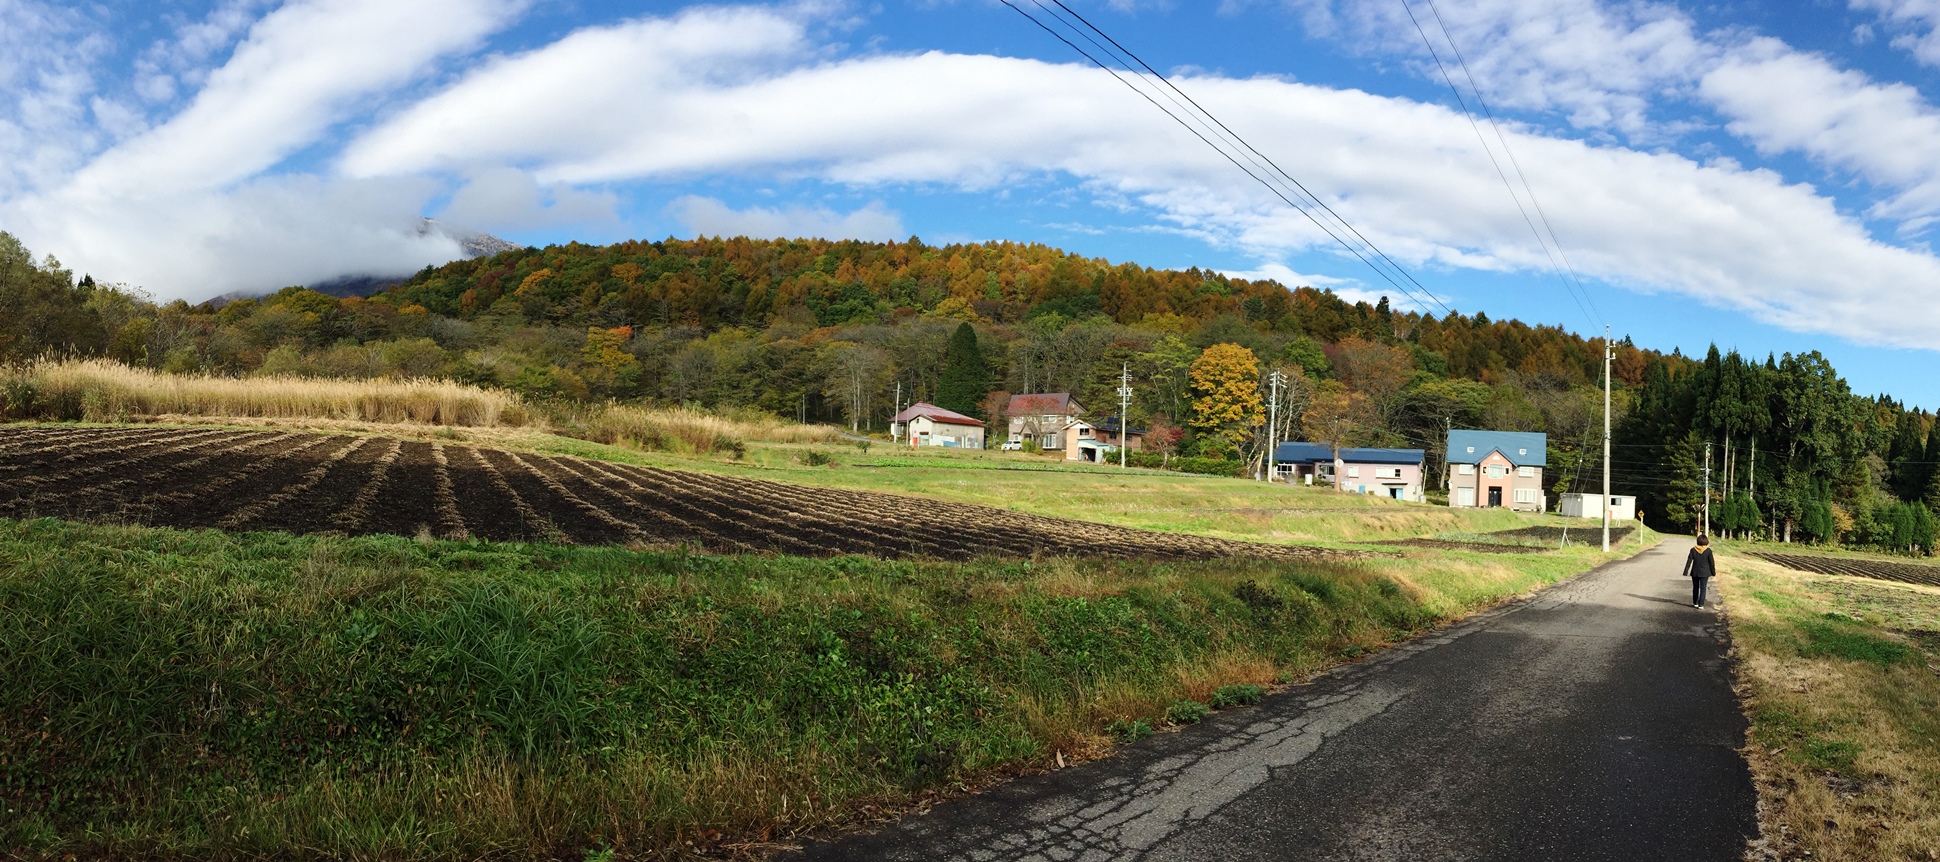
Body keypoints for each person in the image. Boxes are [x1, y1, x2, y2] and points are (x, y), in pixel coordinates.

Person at [1681, 534, 1716, 608]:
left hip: (1695, 572)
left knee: (1695, 587)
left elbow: (1689, 561)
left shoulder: (1693, 549)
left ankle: (1695, 602)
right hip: (1705, 572)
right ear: (1706, 541)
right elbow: (1711, 563)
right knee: (1703, 588)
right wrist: (1713, 572)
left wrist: (1686, 571)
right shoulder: (1708, 551)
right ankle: (1701, 604)